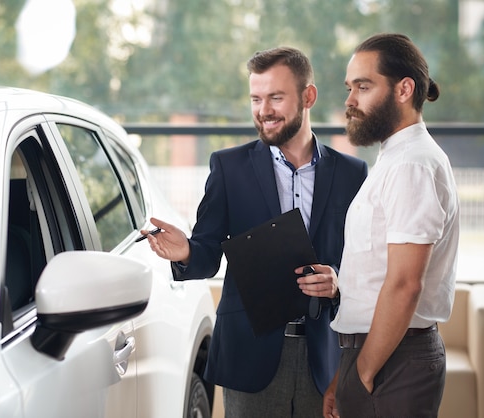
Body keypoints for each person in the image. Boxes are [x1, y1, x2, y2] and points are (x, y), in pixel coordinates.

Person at [141, 46, 367, 417]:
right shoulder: (229, 168)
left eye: (276, 97)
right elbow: (207, 253)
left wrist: (339, 282)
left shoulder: (351, 174)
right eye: (256, 99)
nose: (264, 111)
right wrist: (185, 252)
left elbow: (366, 265)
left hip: (324, 360)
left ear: (308, 96)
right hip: (249, 359)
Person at [323, 33, 460, 418]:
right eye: (350, 88)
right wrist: (346, 373)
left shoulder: (411, 165)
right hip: (380, 355)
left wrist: (363, 373)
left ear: (404, 89)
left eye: (363, 87)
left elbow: (404, 284)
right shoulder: (394, 157)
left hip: (392, 363)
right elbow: (373, 277)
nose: (350, 100)